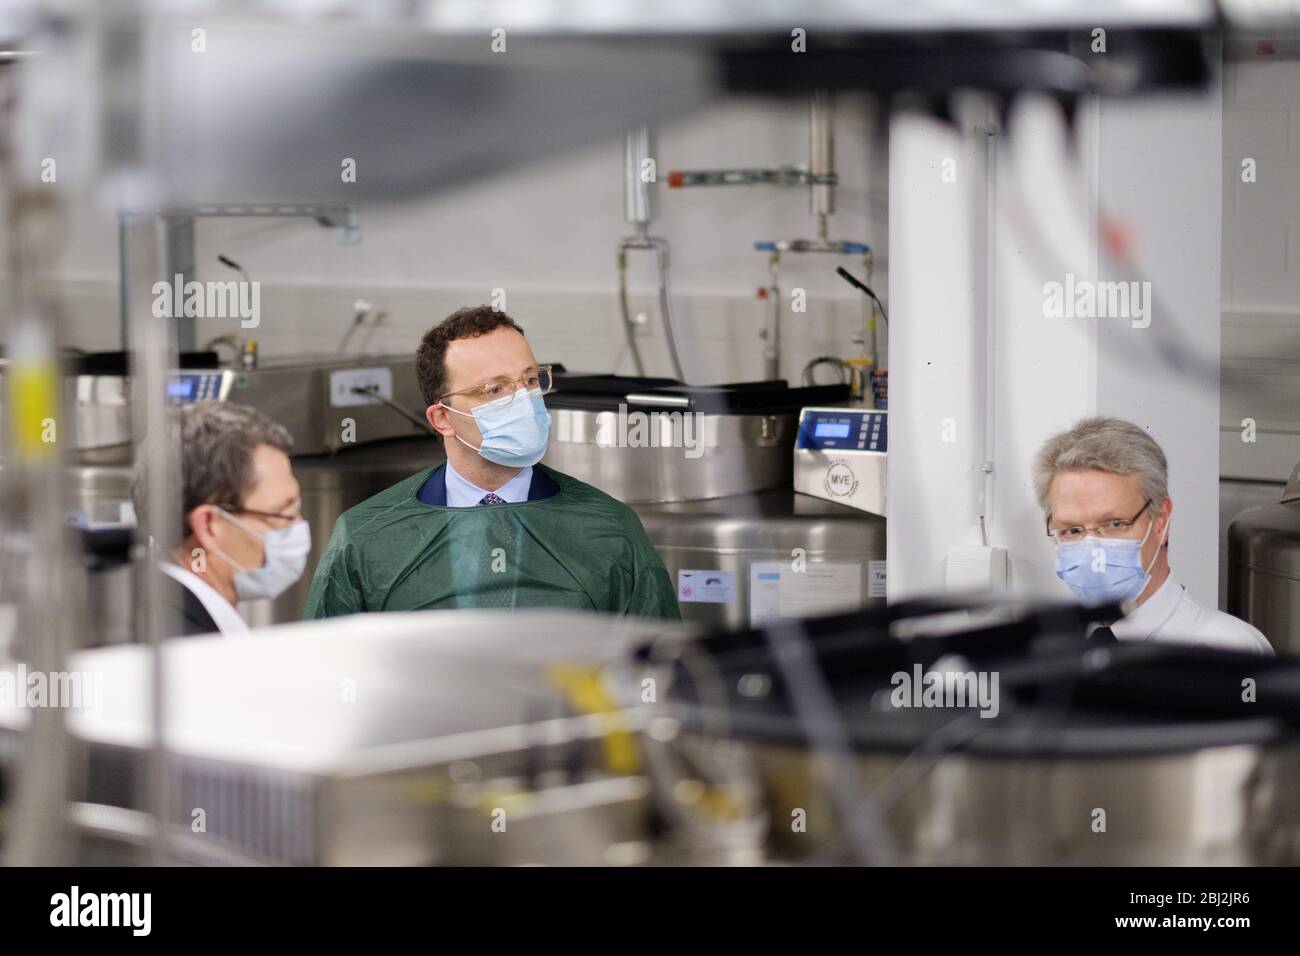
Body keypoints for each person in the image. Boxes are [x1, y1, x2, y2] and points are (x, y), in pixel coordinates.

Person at [304, 305, 680, 620]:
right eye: (494, 390)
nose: (525, 400)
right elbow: (324, 675)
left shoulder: (609, 529)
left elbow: (662, 673)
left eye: (531, 380)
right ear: (442, 418)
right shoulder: (368, 536)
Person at [1033, 416, 1271, 653]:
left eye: (1114, 523)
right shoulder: (1051, 650)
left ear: (1161, 520)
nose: (1092, 548)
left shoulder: (1226, 648)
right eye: (1072, 530)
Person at [135, 401, 311, 637]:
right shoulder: (192, 652)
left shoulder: (148, 608)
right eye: (283, 513)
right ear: (208, 526)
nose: (298, 526)